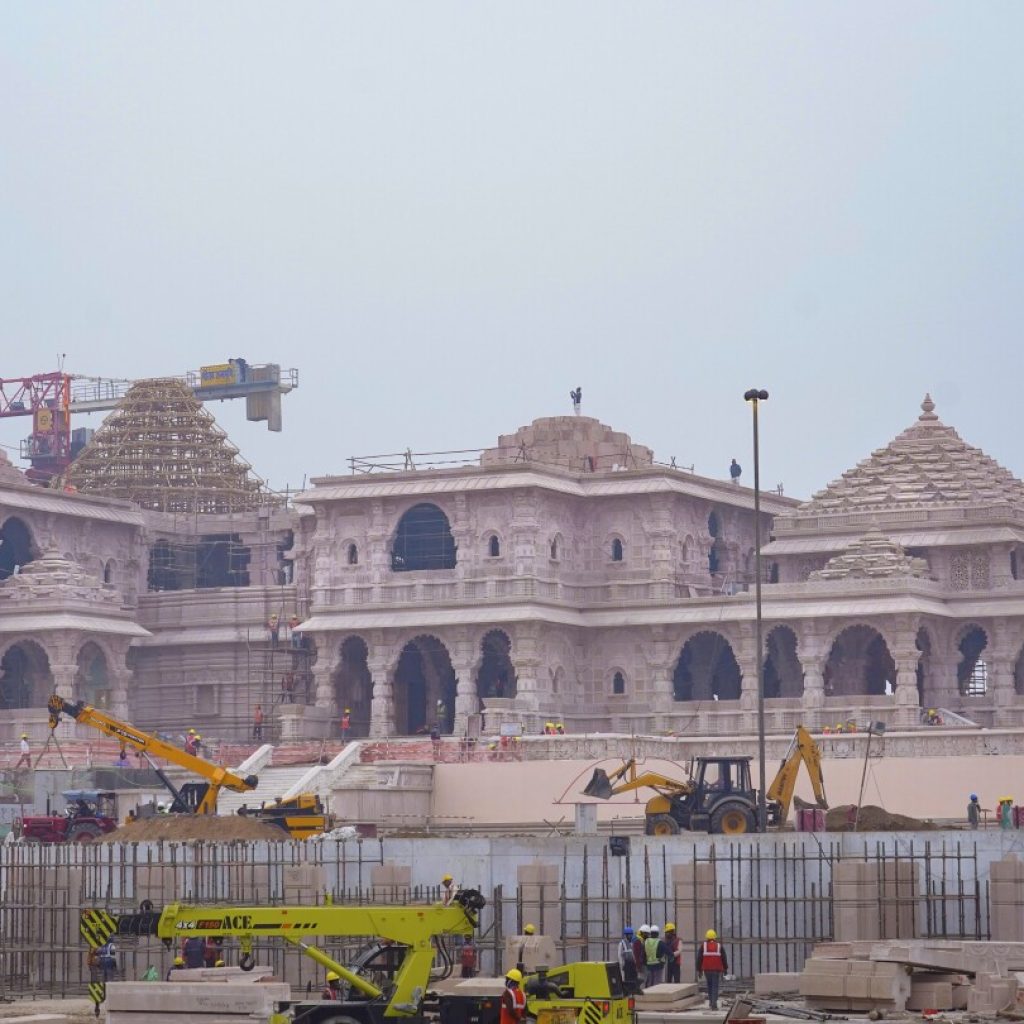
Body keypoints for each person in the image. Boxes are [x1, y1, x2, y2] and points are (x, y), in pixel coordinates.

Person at [696, 929, 728, 1010]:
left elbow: (699, 958)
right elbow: (724, 958)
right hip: (716, 970)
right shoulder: (719, 946)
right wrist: (725, 969)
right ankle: (714, 1004)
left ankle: (711, 1002)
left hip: (707, 970)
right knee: (715, 986)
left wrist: (699, 970)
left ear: (707, 938)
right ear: (714, 938)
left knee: (709, 985)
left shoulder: (703, 946)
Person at [619, 925, 640, 994]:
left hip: (633, 964)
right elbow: (620, 955)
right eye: (629, 935)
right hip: (627, 964)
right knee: (627, 980)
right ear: (626, 935)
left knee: (634, 979)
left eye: (631, 934)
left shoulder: (633, 942)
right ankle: (627, 993)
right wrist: (622, 964)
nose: (630, 936)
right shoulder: (622, 943)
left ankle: (633, 993)